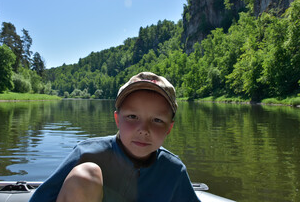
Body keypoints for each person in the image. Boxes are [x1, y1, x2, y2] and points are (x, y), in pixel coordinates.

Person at [30, 72, 200, 202]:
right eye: (132, 117)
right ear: (117, 120)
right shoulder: (87, 153)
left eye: (157, 120)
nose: (143, 130)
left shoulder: (174, 170)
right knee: (85, 174)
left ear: (169, 128)